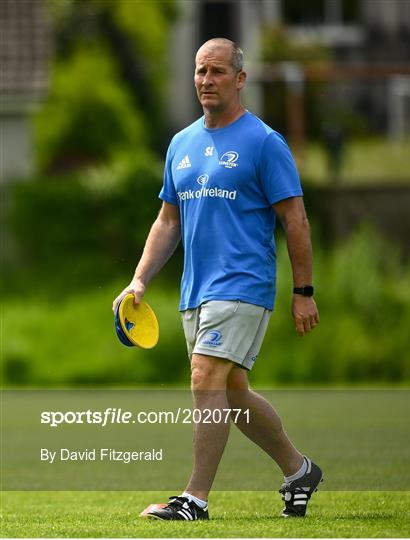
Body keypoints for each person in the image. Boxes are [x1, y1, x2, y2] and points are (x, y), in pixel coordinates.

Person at [113, 37, 323, 521]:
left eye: (218, 72)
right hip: (196, 291)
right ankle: (299, 470)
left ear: (241, 79)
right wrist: (139, 281)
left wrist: (303, 291)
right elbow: (168, 222)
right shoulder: (180, 144)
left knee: (205, 376)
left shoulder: (265, 143)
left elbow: (296, 220)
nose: (206, 80)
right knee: (233, 393)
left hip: (243, 284)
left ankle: (195, 499)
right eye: (200, 71)